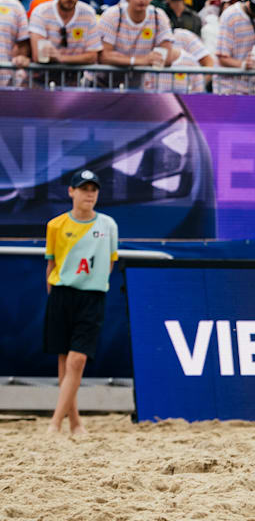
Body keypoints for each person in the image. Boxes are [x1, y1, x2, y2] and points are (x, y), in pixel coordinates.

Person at [44, 168, 118, 436]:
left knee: (77, 360)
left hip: (92, 296)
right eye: (84, 188)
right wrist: (55, 296)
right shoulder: (56, 225)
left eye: (93, 189)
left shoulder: (108, 225)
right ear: (71, 192)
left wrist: (92, 284)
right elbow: (51, 264)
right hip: (63, 294)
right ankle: (75, 422)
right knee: (65, 361)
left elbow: (110, 262)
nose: (89, 194)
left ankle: (54, 423)